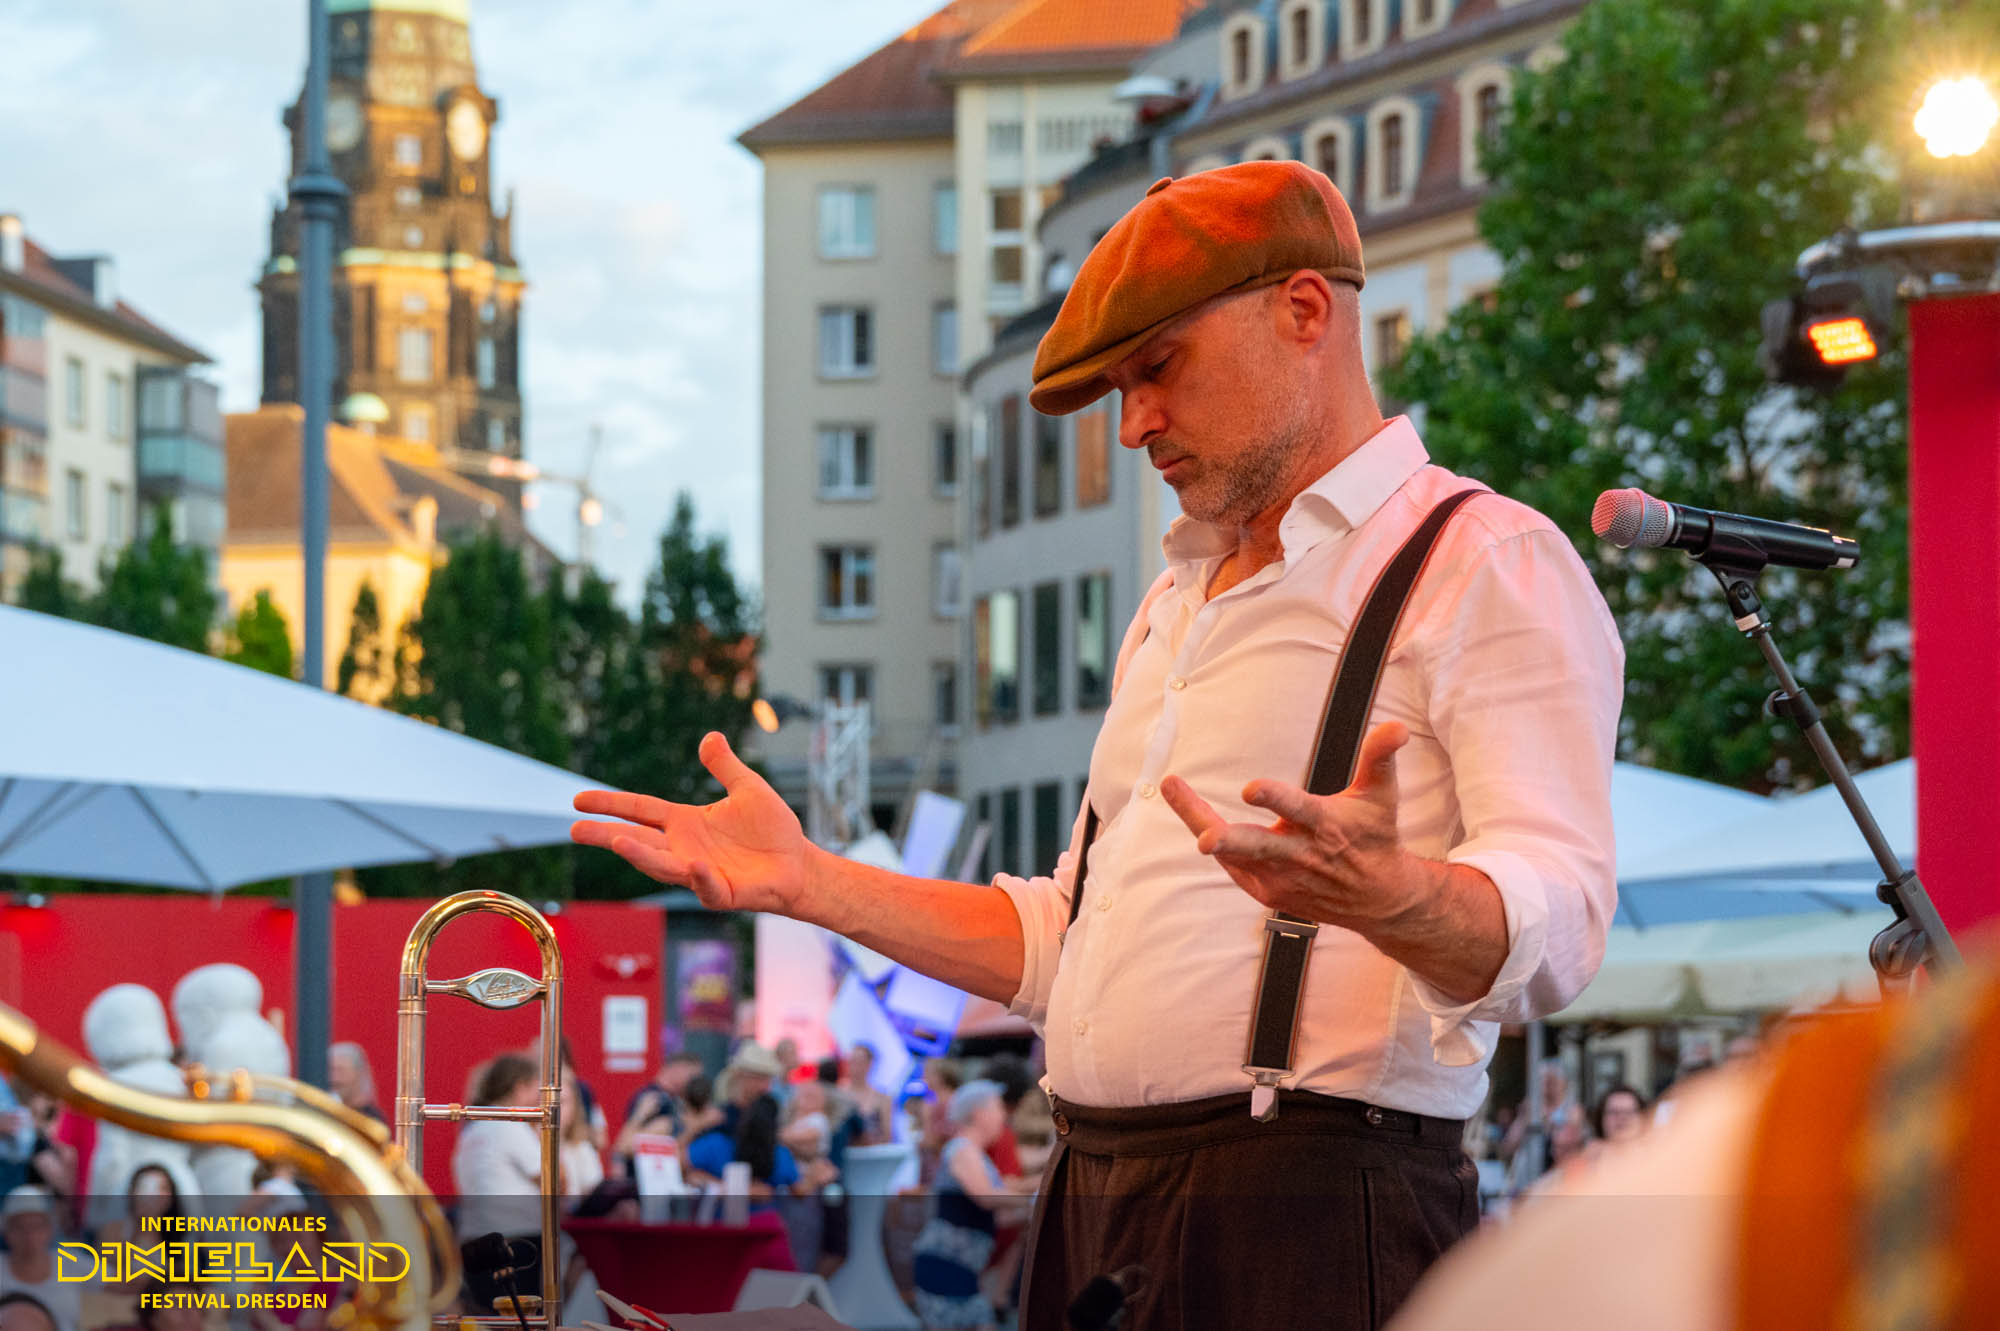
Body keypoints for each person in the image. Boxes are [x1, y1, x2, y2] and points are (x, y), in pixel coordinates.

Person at [573, 160, 1622, 1328]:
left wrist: (1394, 895)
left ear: (1302, 311)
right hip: (1087, 1199)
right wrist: (808, 882)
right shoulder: (1171, 603)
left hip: (1308, 1212)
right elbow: (1066, 940)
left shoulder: (1485, 559)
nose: (1133, 426)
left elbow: (1563, 922)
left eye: (1158, 366)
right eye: (1121, 388)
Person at [909, 1082, 1031, 1331]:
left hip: (961, 1268)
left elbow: (989, 1217)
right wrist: (1033, 1200)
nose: (1003, 1116)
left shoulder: (973, 1153)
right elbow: (985, 1197)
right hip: (945, 1266)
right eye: (998, 1108)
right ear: (979, 1113)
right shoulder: (961, 1149)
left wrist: (1031, 1210)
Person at [450, 1053, 544, 1313]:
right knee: (521, 1318)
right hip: (516, 1242)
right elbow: (552, 1178)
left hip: (475, 1241)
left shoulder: (472, 1131)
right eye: (535, 1088)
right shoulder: (510, 1127)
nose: (539, 1098)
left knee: (488, 1316)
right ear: (519, 1087)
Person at [0, 1188, 78, 1331]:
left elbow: (117, 1281)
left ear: (50, 1229)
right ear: (6, 1231)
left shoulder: (70, 1261)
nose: (29, 1236)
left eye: (37, 1226)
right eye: (20, 1227)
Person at [327, 1042, 384, 1122]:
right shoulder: (324, 1115)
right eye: (331, 1070)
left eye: (341, 1071)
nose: (334, 1078)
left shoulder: (371, 1122)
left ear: (359, 1073)